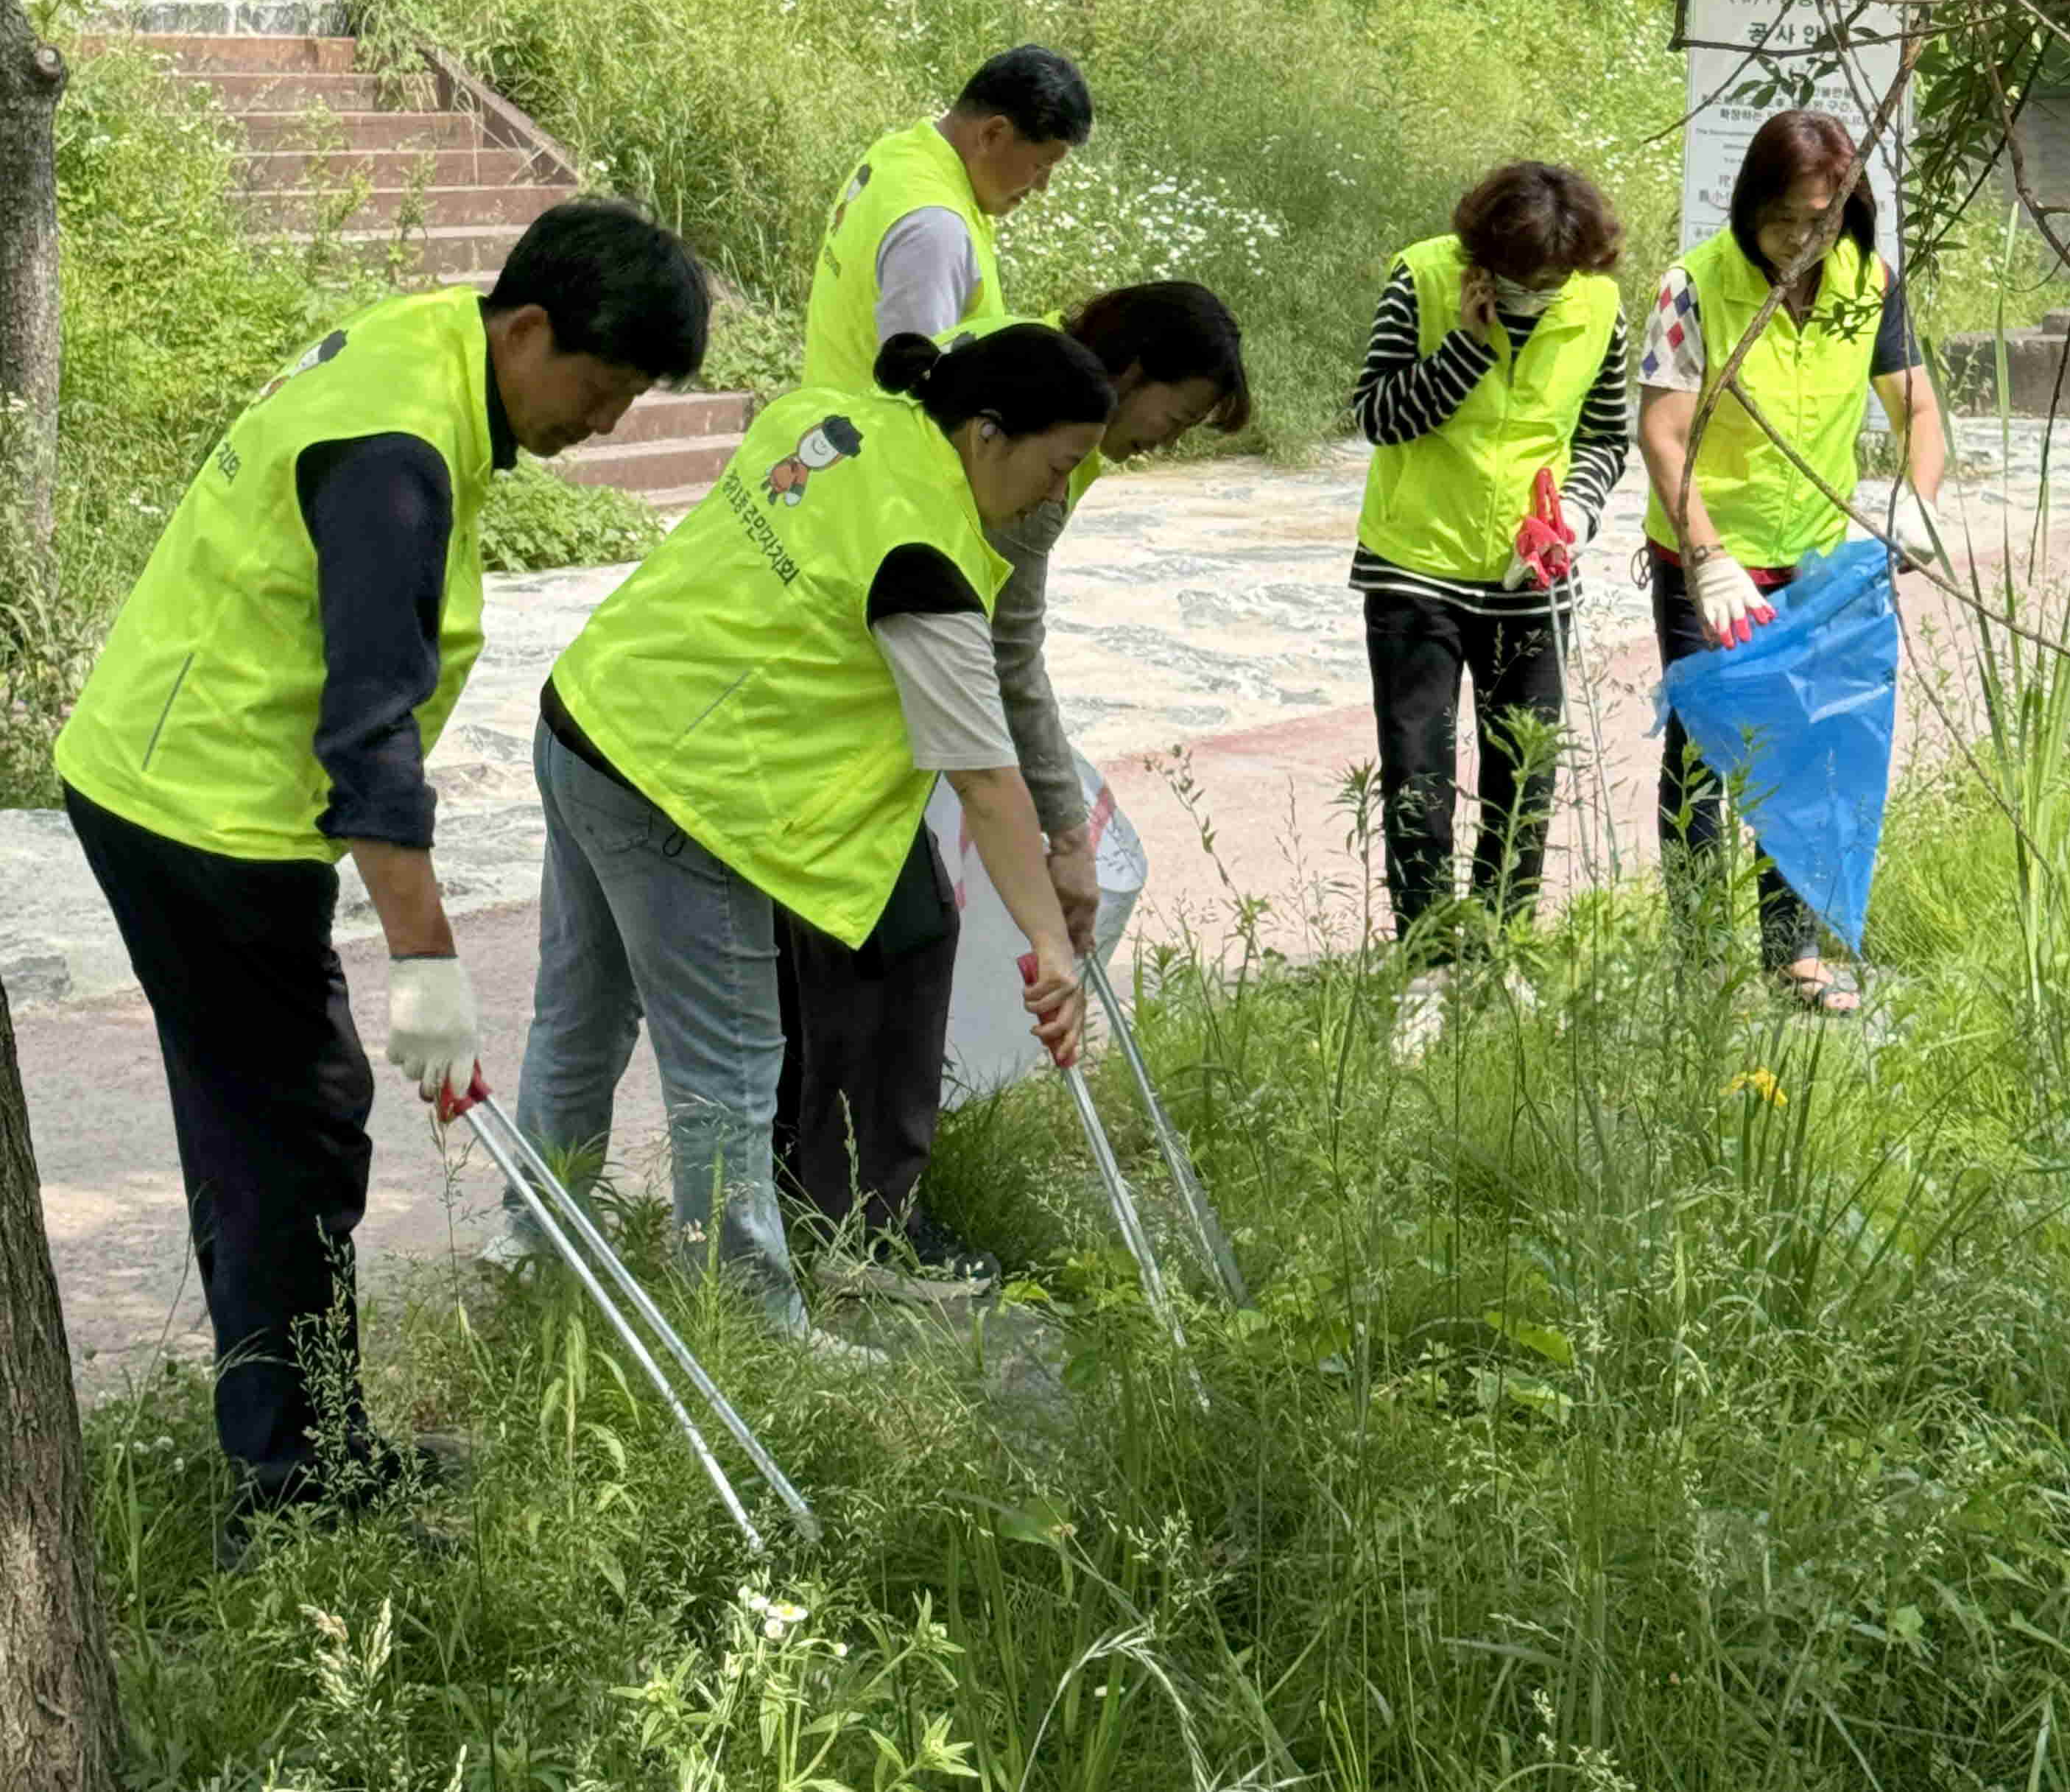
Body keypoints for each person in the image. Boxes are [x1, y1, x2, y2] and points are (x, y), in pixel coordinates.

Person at [54, 202, 710, 1555]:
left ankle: (303, 1440)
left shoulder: (434, 350)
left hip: (190, 777)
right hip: (200, 809)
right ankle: (292, 1495)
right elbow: (367, 742)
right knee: (297, 1133)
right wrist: (426, 965)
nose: (605, 423)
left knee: (267, 1130)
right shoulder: (398, 456)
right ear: (524, 329)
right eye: (597, 390)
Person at [505, 324, 1110, 1343]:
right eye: (1055, 468)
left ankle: (533, 1246)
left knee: (580, 1015)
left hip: (589, 714)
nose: (1055, 500)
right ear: (987, 433)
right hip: (682, 792)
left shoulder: (835, 418)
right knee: (729, 1073)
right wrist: (1051, 944)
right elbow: (987, 780)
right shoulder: (925, 553)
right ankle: (752, 1323)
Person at [782, 279, 1251, 1296]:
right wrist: (1059, 841)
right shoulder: (1031, 455)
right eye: (1174, 416)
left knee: (871, 939)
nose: (1166, 442)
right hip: (853, 710)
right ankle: (866, 1220)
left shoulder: (1012, 399)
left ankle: (833, 1199)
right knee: (896, 934)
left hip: (863, 694)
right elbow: (1005, 657)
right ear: (1128, 378)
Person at [1636, 108, 1945, 1011]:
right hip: (1712, 557)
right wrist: (1709, 557)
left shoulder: (1868, 282)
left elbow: (1918, 411)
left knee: (1806, 756)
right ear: (1749, 206)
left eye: (1824, 220)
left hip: (1814, 558)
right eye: (1786, 221)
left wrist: (1915, 506)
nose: (1803, 241)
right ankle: (1698, 962)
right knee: (1703, 756)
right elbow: (1663, 431)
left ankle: (1792, 955)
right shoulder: (1693, 288)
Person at [1350, 166, 1631, 1002]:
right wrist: (1469, 349)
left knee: (1525, 772)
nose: (1535, 296)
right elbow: (1375, 415)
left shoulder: (1597, 306)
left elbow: (1604, 435)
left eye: (1551, 282)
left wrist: (1576, 516)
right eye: (1519, 280)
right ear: (1482, 255)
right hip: (1416, 565)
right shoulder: (1424, 276)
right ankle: (1428, 967)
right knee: (1419, 771)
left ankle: (1503, 950)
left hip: (1528, 575)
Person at [803, 43, 1093, 390]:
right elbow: (919, 397)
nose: (1043, 186)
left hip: (829, 415)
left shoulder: (898, 154)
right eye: (1041, 165)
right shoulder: (936, 231)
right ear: (993, 134)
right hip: (876, 440)